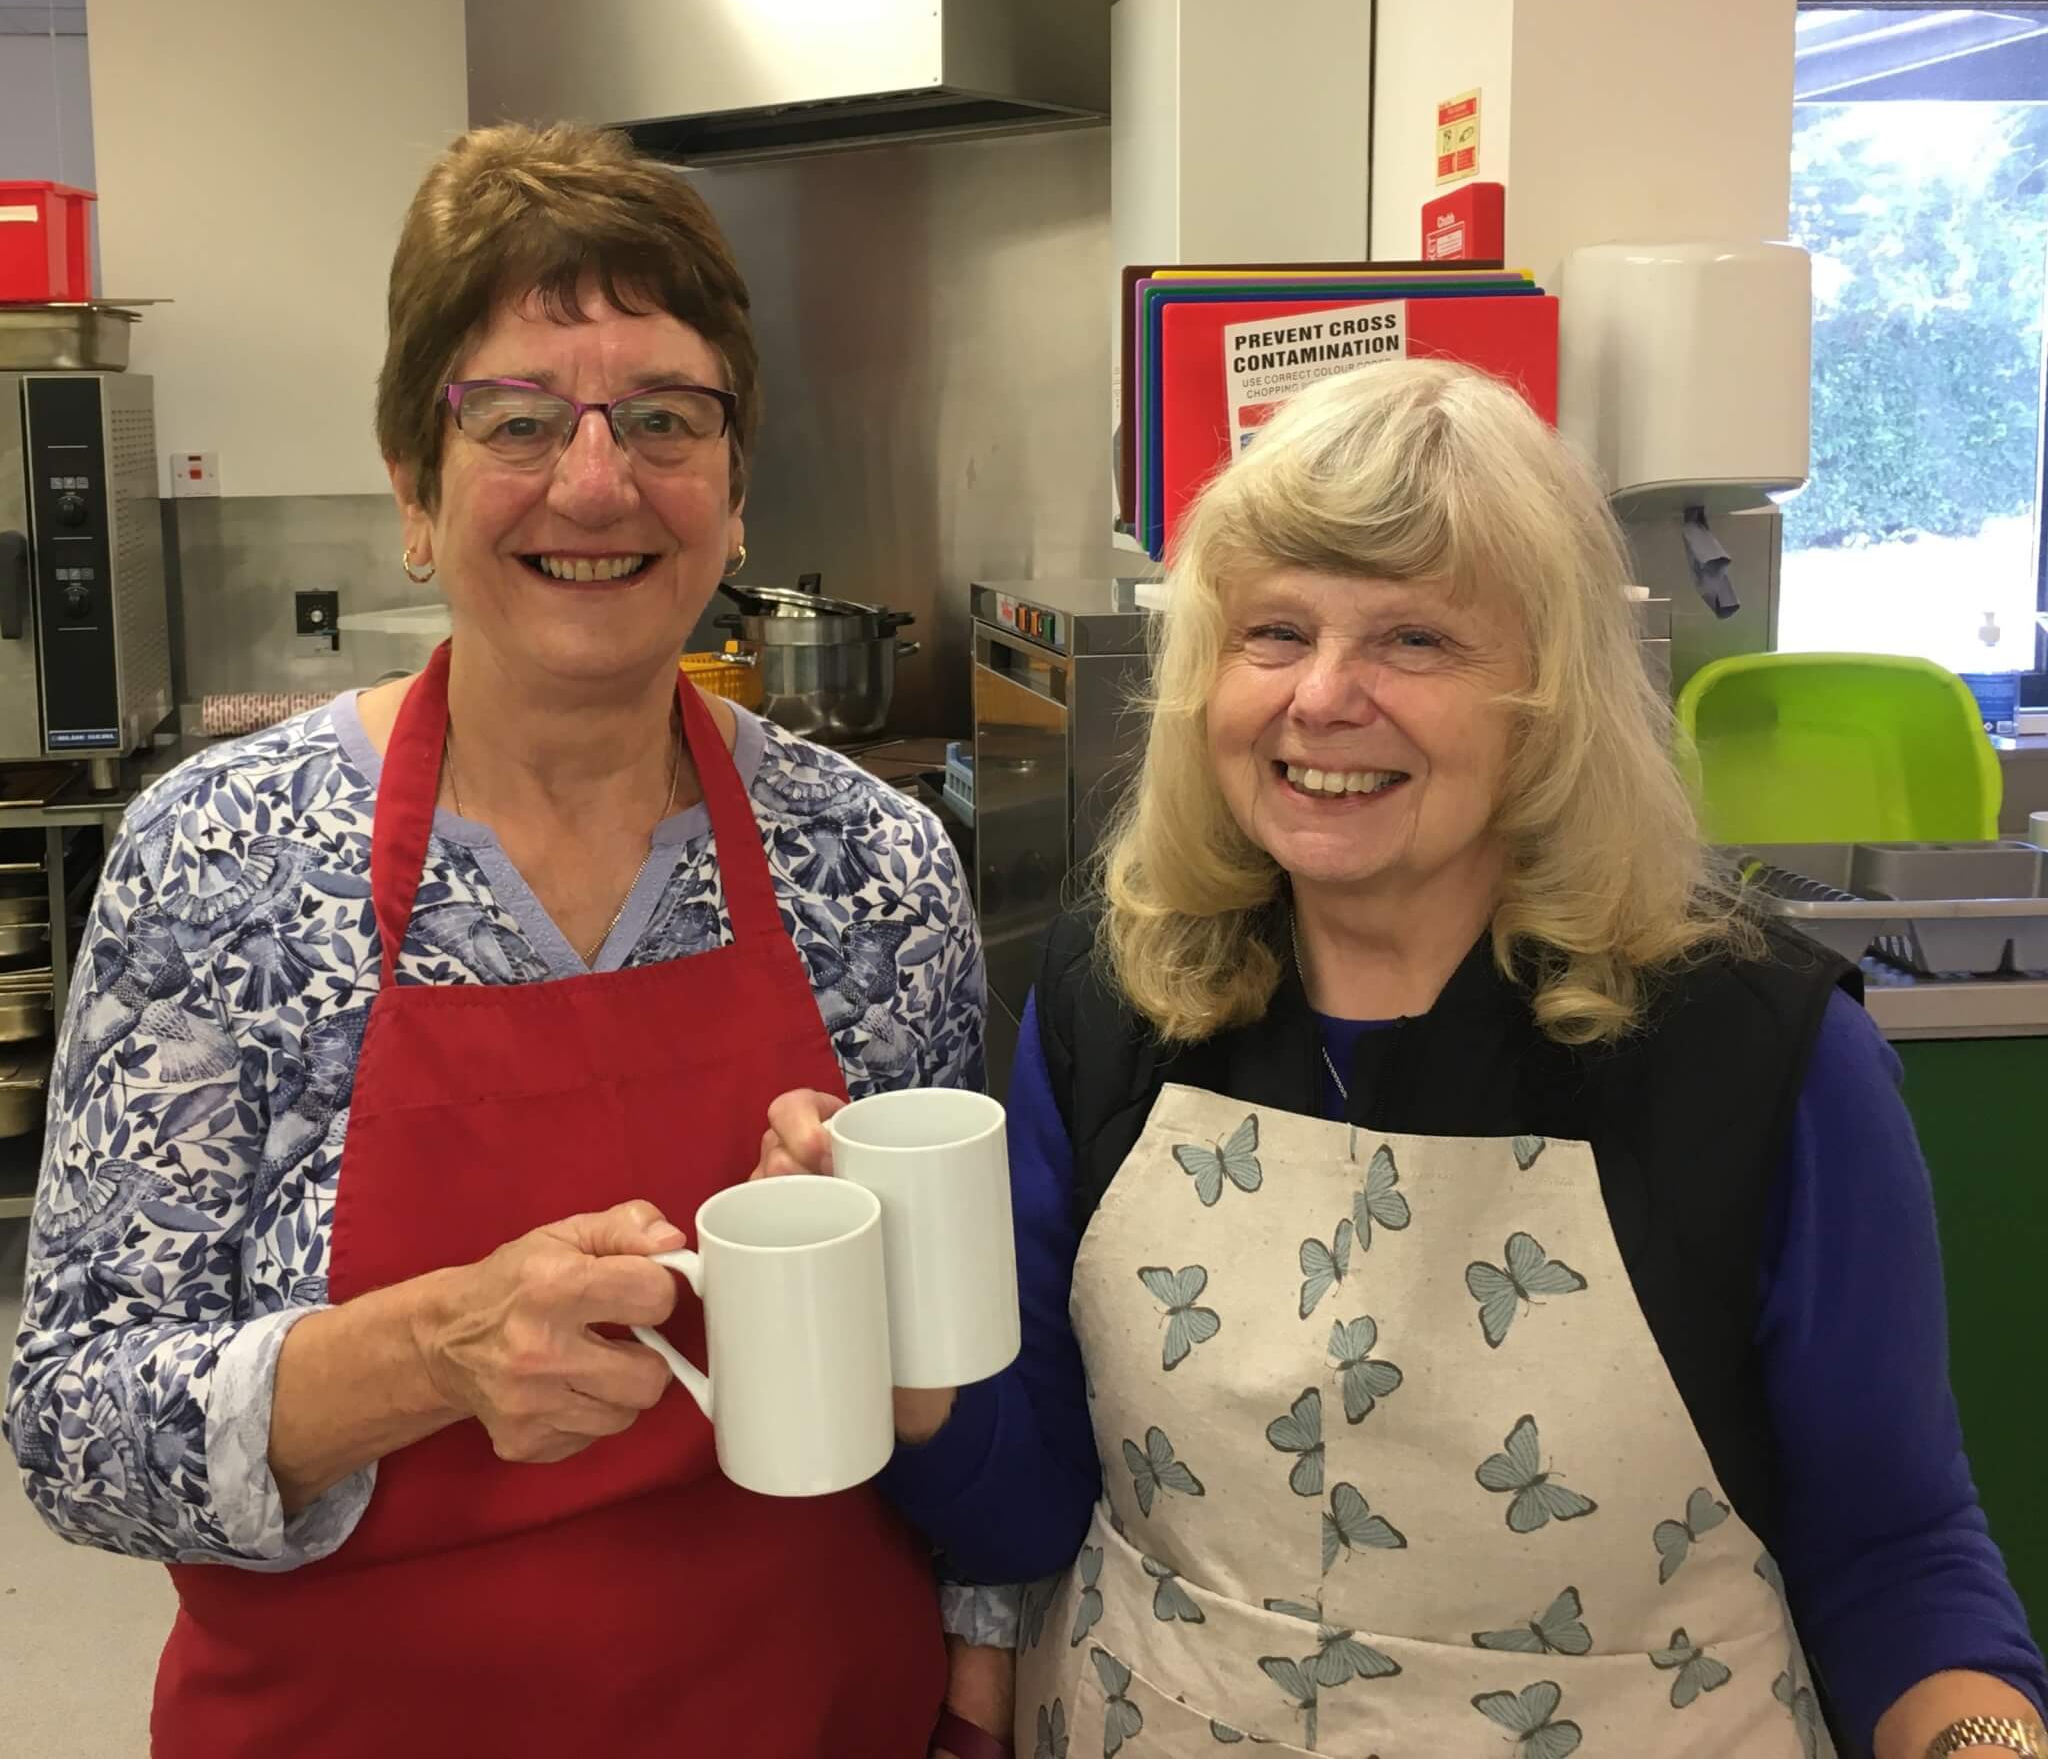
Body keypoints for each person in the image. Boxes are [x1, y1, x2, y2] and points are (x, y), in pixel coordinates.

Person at [762, 361, 2048, 1758]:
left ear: (1546, 696)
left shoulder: (1762, 1055)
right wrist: (886, 1330)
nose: (1324, 696)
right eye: (1276, 631)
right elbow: (1029, 1502)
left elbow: (1897, 1553)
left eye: (1416, 640)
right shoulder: (1114, 990)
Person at [4, 122, 1008, 1757]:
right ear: (415, 482)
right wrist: (430, 1350)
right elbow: (73, 1426)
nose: (597, 482)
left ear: (737, 491)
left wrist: (977, 1629)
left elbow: (961, 1367)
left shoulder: (873, 866)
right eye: (519, 417)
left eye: (667, 419)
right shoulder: (225, 858)